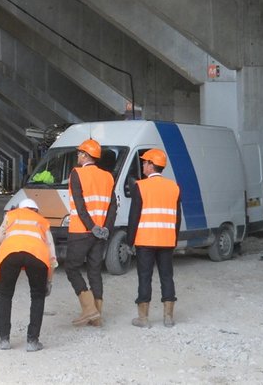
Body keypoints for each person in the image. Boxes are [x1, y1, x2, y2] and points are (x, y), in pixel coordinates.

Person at [64, 138, 116, 327]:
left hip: (81, 230)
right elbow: (112, 207)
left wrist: (91, 226)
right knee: (95, 271)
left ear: (86, 155)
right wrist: (106, 229)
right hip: (100, 232)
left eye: (79, 152)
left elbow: (80, 206)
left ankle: (89, 309)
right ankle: (97, 317)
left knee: (71, 268)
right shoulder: (108, 177)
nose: (78, 155)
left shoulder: (76, 174)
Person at [127, 148, 181, 328]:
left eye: (145, 162)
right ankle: (168, 317)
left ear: (151, 165)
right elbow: (177, 218)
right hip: (166, 239)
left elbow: (134, 217)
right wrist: (174, 239)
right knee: (167, 276)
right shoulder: (174, 187)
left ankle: (143, 319)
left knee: (145, 277)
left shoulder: (140, 186)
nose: (143, 165)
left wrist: (130, 241)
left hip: (145, 240)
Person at [0, 198, 57, 352]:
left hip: (10, 254)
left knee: (5, 295)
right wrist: (48, 281)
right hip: (37, 255)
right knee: (37, 296)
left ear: (20, 208)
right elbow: (52, 255)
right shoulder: (41, 221)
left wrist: (0, 232)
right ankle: (32, 341)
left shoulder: (11, 216)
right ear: (35, 210)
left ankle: (4, 340)